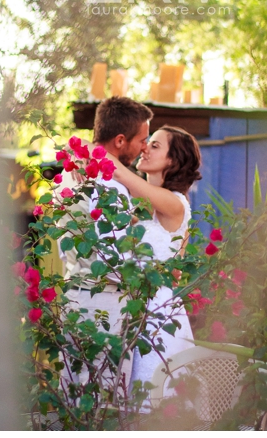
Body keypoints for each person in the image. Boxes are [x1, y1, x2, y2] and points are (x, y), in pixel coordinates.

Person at [56, 96, 152, 389]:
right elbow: (113, 260)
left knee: (72, 392)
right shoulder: (109, 185)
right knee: (105, 398)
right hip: (105, 304)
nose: (145, 147)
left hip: (73, 296)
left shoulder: (68, 175)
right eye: (142, 139)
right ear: (120, 140)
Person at [107, 125, 201, 394]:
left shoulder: (176, 204)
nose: (145, 147)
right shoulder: (150, 216)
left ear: (172, 160)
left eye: (155, 145)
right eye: (147, 142)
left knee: (151, 402)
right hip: (136, 312)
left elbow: (121, 173)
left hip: (157, 322)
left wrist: (90, 151)